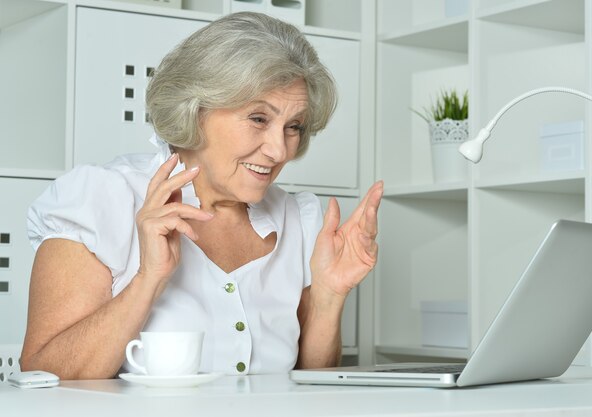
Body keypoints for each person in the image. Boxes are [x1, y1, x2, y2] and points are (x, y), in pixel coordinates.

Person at [20, 11, 383, 380]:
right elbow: (44, 377)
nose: (279, 150)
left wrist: (328, 297)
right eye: (258, 119)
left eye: (293, 127)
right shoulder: (102, 200)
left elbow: (311, 384)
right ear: (195, 111)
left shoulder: (300, 221)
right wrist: (149, 278)